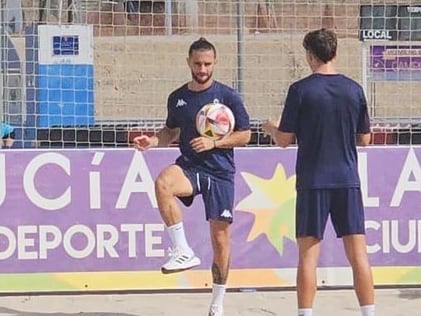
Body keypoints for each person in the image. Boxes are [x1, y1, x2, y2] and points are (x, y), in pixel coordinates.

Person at [134, 37, 251, 316]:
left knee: (220, 239)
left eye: (207, 64)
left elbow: (245, 135)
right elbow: (170, 132)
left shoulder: (228, 97)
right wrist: (151, 141)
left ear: (215, 63)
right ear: (188, 62)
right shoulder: (178, 98)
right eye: (197, 63)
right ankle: (182, 249)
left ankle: (217, 302)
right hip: (190, 166)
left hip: (220, 172)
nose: (202, 69)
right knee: (163, 183)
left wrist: (215, 142)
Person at [262, 28, 375, 316]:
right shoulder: (354, 89)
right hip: (347, 179)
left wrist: (270, 127)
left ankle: (305, 313)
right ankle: (369, 312)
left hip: (313, 181)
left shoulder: (301, 90)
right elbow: (364, 139)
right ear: (334, 52)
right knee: (358, 254)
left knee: (308, 257)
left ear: (310, 55)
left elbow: (284, 140)